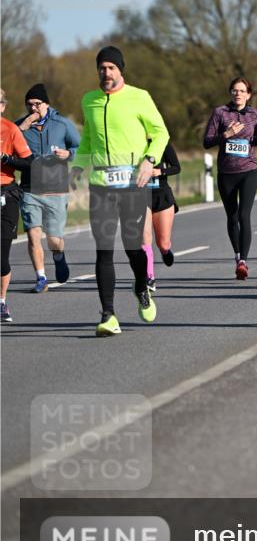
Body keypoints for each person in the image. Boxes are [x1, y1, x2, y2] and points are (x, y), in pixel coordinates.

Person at [71, 46, 169, 336]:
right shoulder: (89, 100)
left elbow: (161, 132)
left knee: (132, 247)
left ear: (120, 70)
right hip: (101, 186)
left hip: (132, 185)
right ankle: (108, 315)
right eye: (102, 67)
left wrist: (149, 160)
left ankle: (141, 286)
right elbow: (88, 139)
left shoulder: (139, 97)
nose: (106, 72)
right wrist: (77, 167)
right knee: (103, 249)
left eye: (111, 67)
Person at [203, 78, 257, 279]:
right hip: (226, 173)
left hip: (249, 171)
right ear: (230, 93)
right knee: (232, 217)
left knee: (244, 215)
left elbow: (255, 140)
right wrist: (226, 134)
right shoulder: (220, 113)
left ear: (248, 94)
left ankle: (243, 262)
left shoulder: (255, 114)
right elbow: (207, 141)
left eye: (242, 91)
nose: (238, 94)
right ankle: (237, 255)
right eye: (234, 90)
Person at [15, 83, 80, 292]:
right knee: (33, 235)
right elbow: (5, 144)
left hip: (56, 190)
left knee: (54, 240)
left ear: (46, 104)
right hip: (29, 189)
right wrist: (21, 129)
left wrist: (69, 154)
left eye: (37, 104)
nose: (33, 108)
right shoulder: (19, 127)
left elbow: (80, 146)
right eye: (29, 104)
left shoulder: (62, 124)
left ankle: (59, 256)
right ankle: (41, 277)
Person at [1, 90, 33, 323]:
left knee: (1, 255)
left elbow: (29, 163)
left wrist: (6, 159)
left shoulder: (10, 129)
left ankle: (1, 301)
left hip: (6, 195)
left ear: (2, 106)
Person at [142, 141, 180, 291]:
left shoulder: (162, 143)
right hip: (140, 197)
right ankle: (150, 277)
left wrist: (160, 172)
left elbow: (176, 167)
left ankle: (165, 251)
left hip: (161, 196)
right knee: (145, 240)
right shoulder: (133, 142)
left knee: (163, 243)